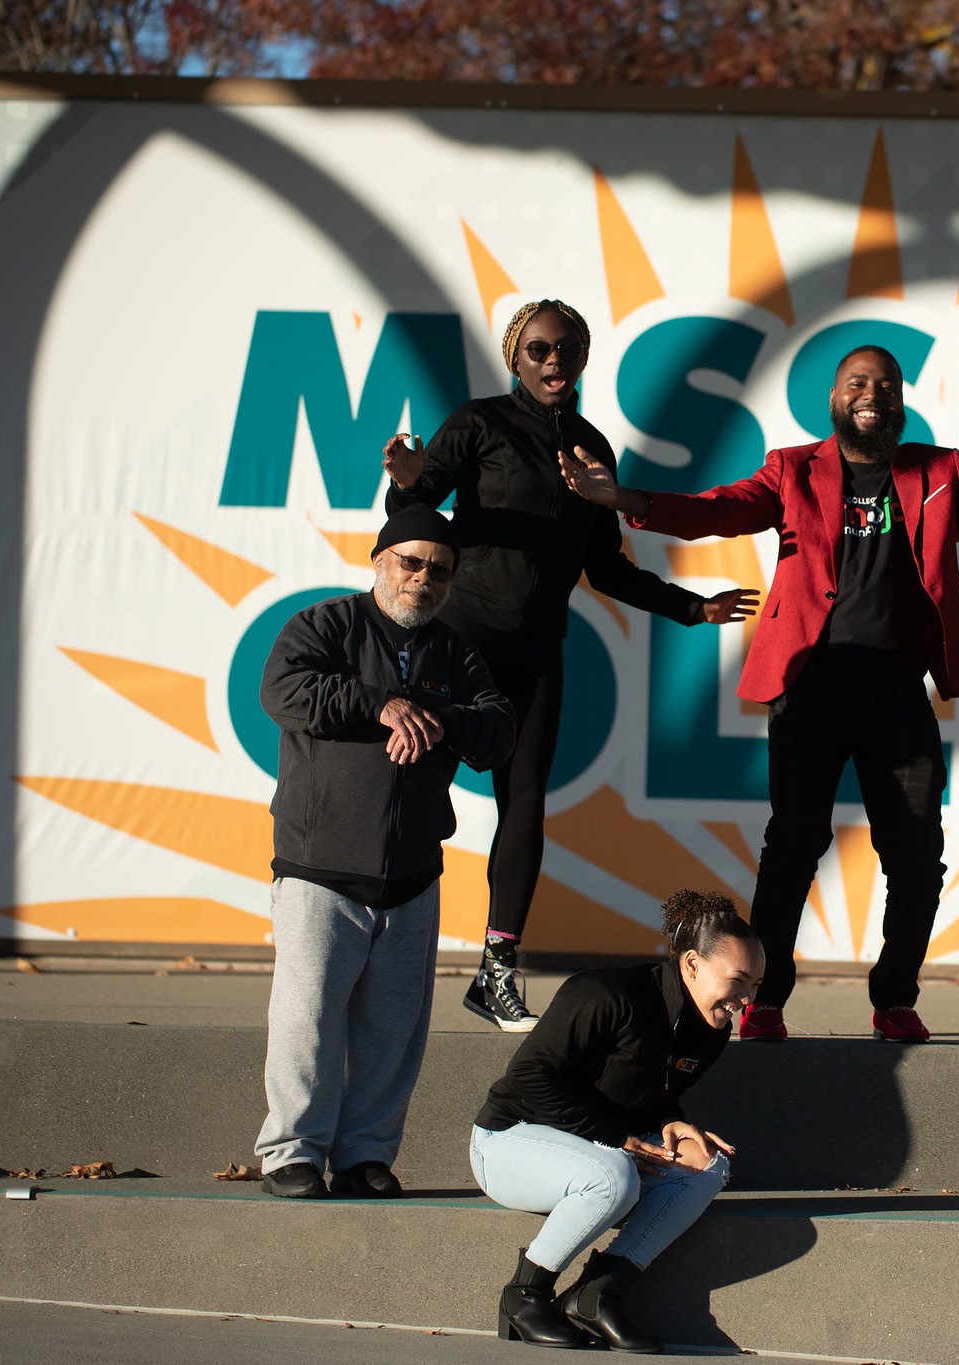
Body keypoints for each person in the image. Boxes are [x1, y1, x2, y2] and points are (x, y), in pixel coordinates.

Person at [558, 345, 959, 1044]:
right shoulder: (794, 469)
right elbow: (719, 509)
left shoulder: (937, 470)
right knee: (793, 845)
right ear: (834, 398)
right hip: (811, 687)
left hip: (895, 689)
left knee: (917, 856)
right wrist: (625, 502)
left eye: (886, 384)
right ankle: (763, 1001)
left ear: (900, 400)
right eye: (858, 382)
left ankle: (894, 996)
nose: (872, 393)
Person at [382, 299, 757, 1033]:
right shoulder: (479, 423)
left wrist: (692, 607)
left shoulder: (591, 449)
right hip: (460, 646)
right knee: (413, 787)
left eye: (568, 349)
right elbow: (417, 512)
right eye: (539, 350)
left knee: (524, 807)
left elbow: (606, 569)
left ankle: (495, 974)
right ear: (517, 358)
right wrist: (404, 479)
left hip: (537, 653)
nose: (554, 362)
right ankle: (384, 951)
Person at [254, 506, 516, 1200]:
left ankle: (366, 1153)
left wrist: (439, 718)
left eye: (439, 570)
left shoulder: (454, 652)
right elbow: (281, 689)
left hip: (410, 873)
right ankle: (292, 1152)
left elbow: (498, 728)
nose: (423, 580)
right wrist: (383, 705)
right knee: (306, 1020)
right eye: (411, 562)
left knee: (393, 1031)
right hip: (320, 867)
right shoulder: (324, 625)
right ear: (379, 560)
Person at [471, 889, 764, 1352]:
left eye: (755, 986)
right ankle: (525, 1296)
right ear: (692, 964)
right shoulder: (604, 994)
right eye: (739, 981)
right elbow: (528, 1079)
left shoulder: (712, 1029)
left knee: (706, 1165)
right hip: (510, 1140)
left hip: (601, 1147)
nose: (746, 999)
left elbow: (653, 1094)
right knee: (612, 1176)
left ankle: (596, 1295)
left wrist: (671, 1121)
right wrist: (619, 1138)